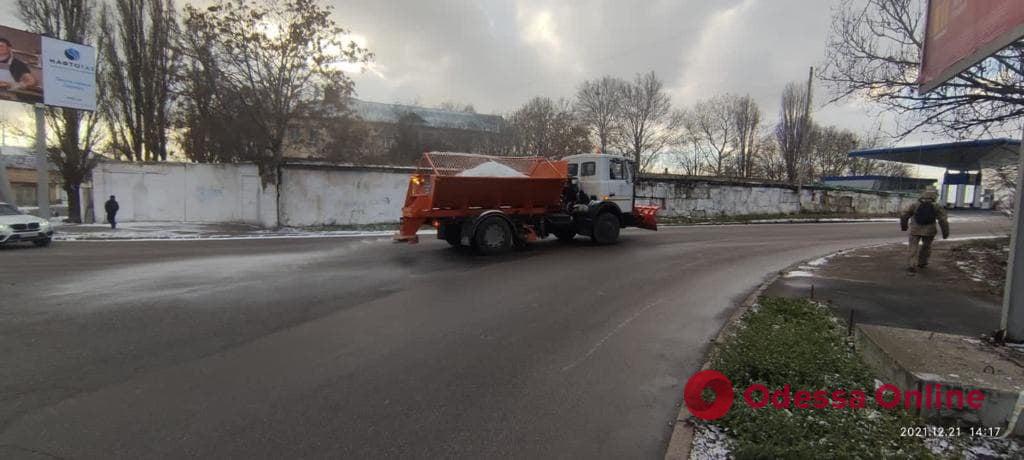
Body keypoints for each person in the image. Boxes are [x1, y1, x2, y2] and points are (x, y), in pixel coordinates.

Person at [900, 187, 949, 274]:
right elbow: (943, 220)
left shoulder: (915, 204)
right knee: (926, 247)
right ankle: (922, 262)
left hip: (915, 230)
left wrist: (904, 226)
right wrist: (945, 233)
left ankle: (911, 265)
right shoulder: (936, 206)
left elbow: (904, 215)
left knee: (912, 247)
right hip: (930, 231)